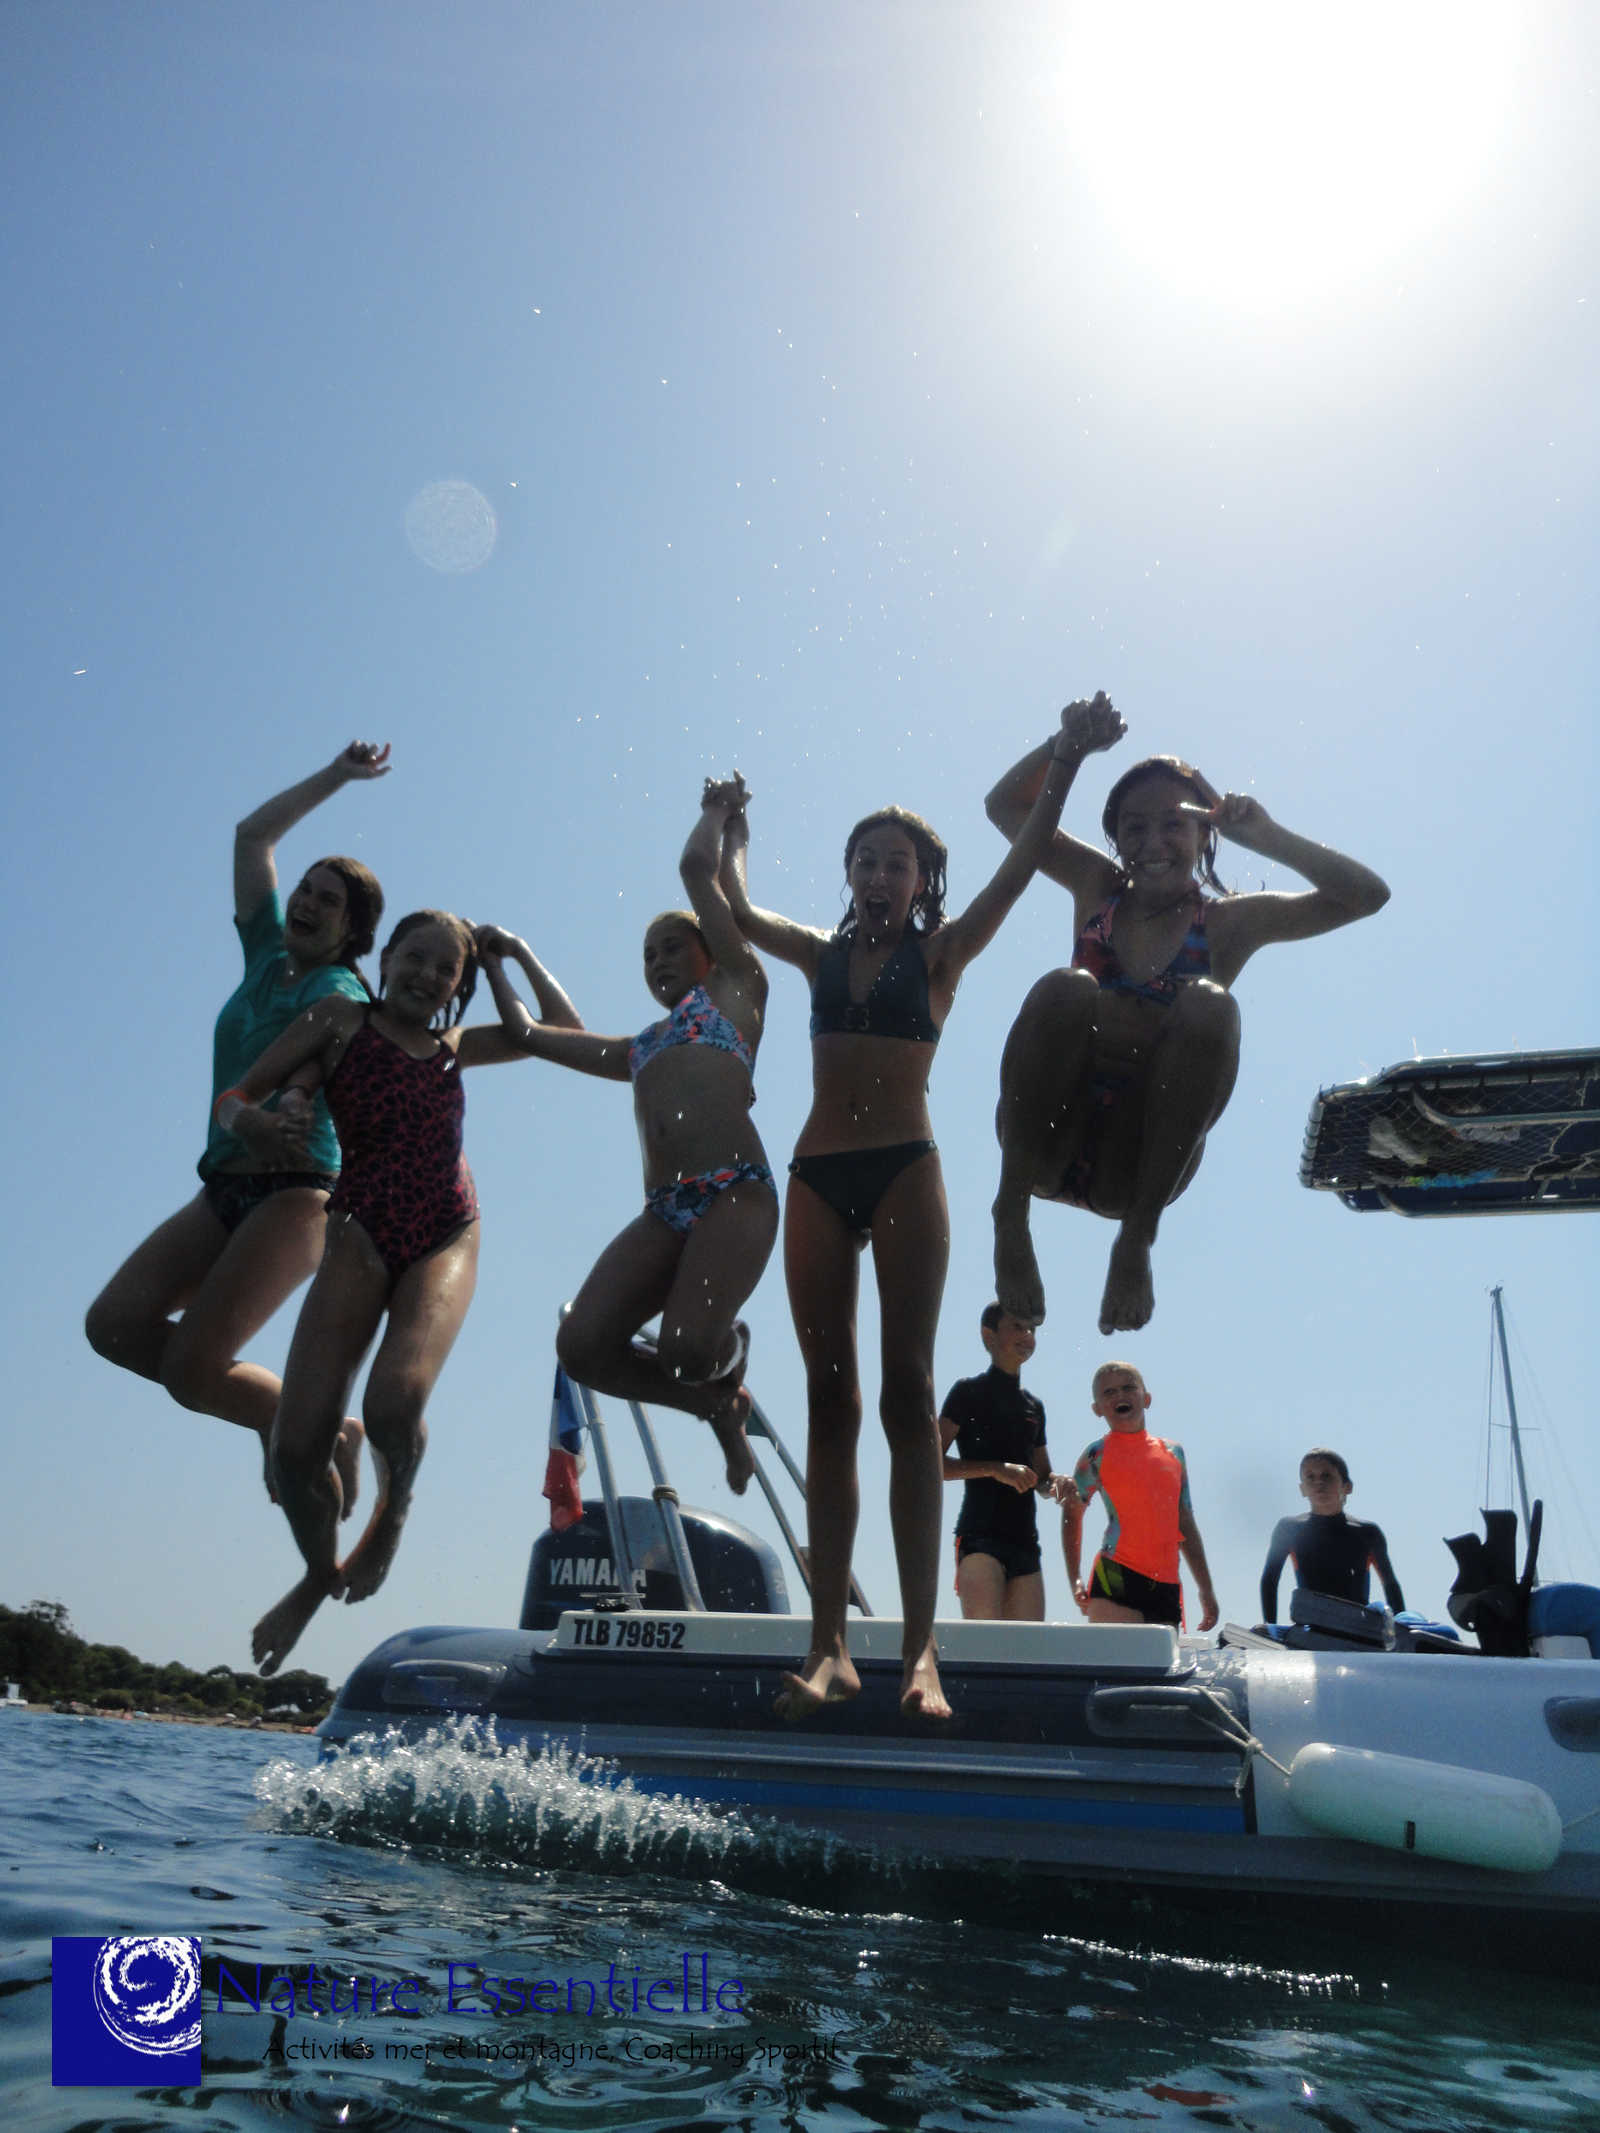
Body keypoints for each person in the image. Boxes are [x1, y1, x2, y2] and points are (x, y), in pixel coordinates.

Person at [719, 702, 1088, 1721]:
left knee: (906, 1397)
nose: (880, 875)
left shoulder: (941, 957)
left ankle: (921, 1652)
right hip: (816, 1174)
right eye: (866, 861)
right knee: (827, 1401)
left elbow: (1021, 863)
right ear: (848, 875)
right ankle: (828, 1648)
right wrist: (730, 824)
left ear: (924, 880)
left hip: (903, 1173)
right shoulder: (815, 955)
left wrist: (1064, 758)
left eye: (898, 863)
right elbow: (734, 908)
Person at [214, 908, 581, 1674]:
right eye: (415, 957)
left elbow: (565, 1031)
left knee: (393, 1403)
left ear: (457, 986)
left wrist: (510, 953)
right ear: (386, 959)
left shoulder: (457, 1047)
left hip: (446, 1228)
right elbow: (238, 1095)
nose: (427, 975)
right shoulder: (338, 1020)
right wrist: (253, 1127)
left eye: (446, 969)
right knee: (293, 1452)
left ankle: (393, 1509)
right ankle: (317, 1573)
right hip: (360, 1225)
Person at [985, 704, 1390, 1335]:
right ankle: (1009, 1215)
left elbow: (1367, 896)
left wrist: (1269, 837)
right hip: (1046, 1143)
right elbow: (1005, 809)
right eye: (1134, 827)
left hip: (1133, 1170)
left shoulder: (1228, 923)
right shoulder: (1096, 885)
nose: (1152, 843)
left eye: (1173, 825)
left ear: (1205, 836)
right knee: (1065, 988)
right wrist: (1065, 748)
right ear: (1115, 839)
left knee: (1211, 1005)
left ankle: (1136, 1240)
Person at [86, 742, 391, 1513]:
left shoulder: (342, 993)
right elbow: (253, 836)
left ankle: (312, 1426)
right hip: (222, 1183)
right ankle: (305, 1421)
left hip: (295, 1191)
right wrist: (338, 775)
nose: (308, 902)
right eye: (307, 889)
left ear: (352, 930)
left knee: (192, 1374)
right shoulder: (265, 954)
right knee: (114, 1326)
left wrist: (274, 1113)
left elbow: (309, 1075)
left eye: (328, 900)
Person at [478, 783, 779, 1491]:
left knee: (687, 1347)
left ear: (711, 952)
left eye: (672, 947)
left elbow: (699, 871)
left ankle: (724, 1353)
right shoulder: (637, 1047)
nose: (658, 961)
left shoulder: (737, 993)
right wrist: (505, 955)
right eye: (647, 955)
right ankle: (714, 1403)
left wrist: (721, 814)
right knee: (582, 1346)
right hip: (665, 1211)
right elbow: (527, 1032)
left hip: (735, 1192)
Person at [1062, 1361, 1218, 1632]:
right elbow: (1071, 1513)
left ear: (1146, 1398)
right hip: (1116, 1572)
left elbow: (1184, 1522)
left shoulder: (1173, 1453)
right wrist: (1075, 1577)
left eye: (1128, 1388)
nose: (1120, 1395)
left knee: (1160, 1660)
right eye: (1109, 1392)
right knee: (1118, 1658)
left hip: (1166, 1583)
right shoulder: (1096, 1455)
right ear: (1097, 1409)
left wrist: (1205, 1588)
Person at [939, 1305, 1069, 1621]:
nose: (1027, 1335)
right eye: (1017, 1327)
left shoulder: (1034, 1406)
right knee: (985, 1642)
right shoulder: (967, 1392)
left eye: (1032, 1330)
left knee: (1028, 1647)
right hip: (979, 1538)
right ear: (989, 1335)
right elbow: (931, 1464)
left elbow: (1042, 1477)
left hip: (1026, 1545)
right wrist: (996, 1469)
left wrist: (1058, 1486)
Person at [1259, 1447, 1405, 1621]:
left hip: (1356, 1627)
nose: (1318, 1483)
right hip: (1309, 1626)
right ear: (1302, 1489)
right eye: (1310, 1477)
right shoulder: (1289, 1529)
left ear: (1347, 1486)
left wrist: (1401, 1629)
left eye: (1326, 1476)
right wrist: (1270, 1626)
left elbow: (1390, 1585)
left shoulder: (1367, 1533)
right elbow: (1270, 1580)